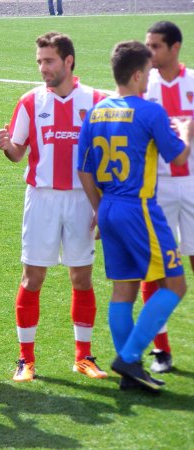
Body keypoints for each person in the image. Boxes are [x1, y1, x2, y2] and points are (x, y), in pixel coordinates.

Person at [77, 40, 192, 392]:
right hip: (139, 208)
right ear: (138, 74)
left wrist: (99, 208)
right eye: (148, 72)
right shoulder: (150, 111)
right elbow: (178, 157)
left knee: (123, 289)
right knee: (176, 285)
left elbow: (84, 170)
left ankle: (131, 373)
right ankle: (129, 357)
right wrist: (186, 133)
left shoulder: (96, 112)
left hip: (109, 207)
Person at [0, 32, 108, 382]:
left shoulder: (97, 101)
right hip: (41, 198)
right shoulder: (30, 101)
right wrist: (6, 146)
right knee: (33, 277)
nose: (42, 68)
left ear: (68, 61)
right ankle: (25, 360)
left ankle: (83, 357)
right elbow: (18, 153)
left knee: (81, 277)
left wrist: (102, 206)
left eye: (49, 61)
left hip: (82, 199)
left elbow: (106, 159)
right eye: (39, 61)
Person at [141, 21, 194, 374]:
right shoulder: (145, 86)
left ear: (175, 47)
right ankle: (161, 348)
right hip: (157, 189)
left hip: (192, 185)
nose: (149, 53)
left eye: (155, 46)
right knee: (154, 269)